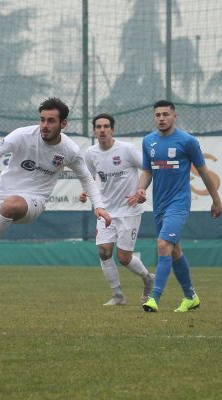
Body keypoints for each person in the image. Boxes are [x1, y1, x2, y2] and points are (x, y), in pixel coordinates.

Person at [0, 97, 112, 334]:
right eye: (43, 119)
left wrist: (99, 206)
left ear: (63, 124)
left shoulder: (70, 150)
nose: (45, 125)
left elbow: (86, 177)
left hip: (33, 201)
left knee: (11, 207)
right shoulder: (22, 135)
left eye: (51, 121)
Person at [128, 100, 222, 313]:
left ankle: (154, 298)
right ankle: (190, 297)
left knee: (163, 245)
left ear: (174, 116)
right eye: (157, 115)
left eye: (165, 114)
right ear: (154, 117)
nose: (161, 118)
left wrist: (216, 200)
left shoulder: (187, 141)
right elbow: (147, 171)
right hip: (159, 205)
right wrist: (141, 189)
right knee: (174, 250)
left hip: (179, 203)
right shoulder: (148, 141)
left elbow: (204, 172)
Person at [79, 113, 154, 306]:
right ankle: (118, 295)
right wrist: (84, 192)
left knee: (124, 258)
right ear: (94, 130)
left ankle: (148, 278)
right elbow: (88, 178)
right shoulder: (91, 154)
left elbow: (148, 169)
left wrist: (140, 190)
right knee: (103, 252)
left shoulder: (127, 150)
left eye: (106, 126)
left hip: (129, 211)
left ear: (112, 129)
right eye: (98, 127)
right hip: (106, 211)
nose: (102, 130)